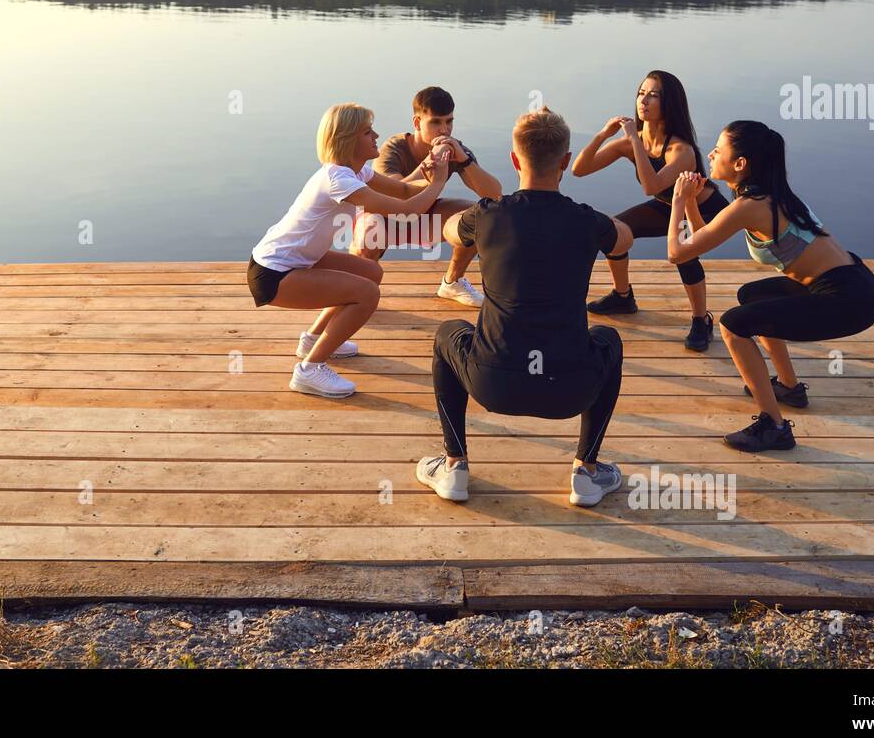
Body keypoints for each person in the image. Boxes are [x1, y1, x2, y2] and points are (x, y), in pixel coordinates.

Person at [416, 107, 634, 507]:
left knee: (448, 332)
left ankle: (454, 465)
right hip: (569, 389)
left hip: (493, 384)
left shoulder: (487, 214)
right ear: (566, 162)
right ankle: (586, 471)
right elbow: (624, 241)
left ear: (515, 159)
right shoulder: (586, 220)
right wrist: (601, 225)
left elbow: (451, 232)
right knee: (609, 338)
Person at [666, 120, 874, 451]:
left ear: (740, 164)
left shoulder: (750, 206)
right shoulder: (764, 196)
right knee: (751, 298)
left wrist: (678, 200)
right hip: (852, 282)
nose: (709, 154)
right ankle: (788, 387)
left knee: (733, 325)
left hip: (848, 299)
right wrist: (693, 202)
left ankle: (775, 426)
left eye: (718, 149)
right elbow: (702, 239)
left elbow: (677, 252)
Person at [248, 102, 450, 398]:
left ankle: (313, 338)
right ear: (348, 140)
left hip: (298, 260)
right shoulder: (338, 180)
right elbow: (408, 210)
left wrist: (427, 170)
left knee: (370, 271)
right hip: (273, 273)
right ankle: (309, 370)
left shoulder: (356, 172)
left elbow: (405, 190)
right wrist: (441, 180)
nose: (376, 135)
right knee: (366, 294)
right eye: (368, 132)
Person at [571, 70, 726, 351]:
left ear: (670, 103)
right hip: (667, 204)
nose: (644, 100)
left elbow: (650, 185)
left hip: (702, 209)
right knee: (612, 232)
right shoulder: (635, 140)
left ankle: (701, 320)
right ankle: (623, 297)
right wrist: (602, 135)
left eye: (653, 95)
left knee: (684, 253)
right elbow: (579, 170)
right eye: (641, 93)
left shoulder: (681, 149)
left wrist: (633, 142)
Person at [352, 86, 502, 307]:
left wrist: (464, 160)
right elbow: (394, 193)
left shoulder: (456, 149)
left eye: (449, 121)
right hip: (385, 218)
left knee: (481, 216)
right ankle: (356, 290)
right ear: (417, 122)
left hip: (423, 217)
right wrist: (428, 167)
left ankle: (452, 283)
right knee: (369, 230)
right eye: (435, 122)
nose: (444, 130)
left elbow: (494, 195)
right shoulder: (393, 148)